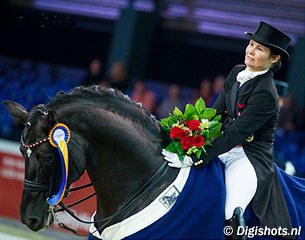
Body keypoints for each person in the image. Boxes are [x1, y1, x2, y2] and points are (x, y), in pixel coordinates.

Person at [164, 21, 293, 239]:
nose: (251, 51)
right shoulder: (236, 72)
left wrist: (196, 158)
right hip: (224, 146)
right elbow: (215, 114)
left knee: (230, 209)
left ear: (274, 58)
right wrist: (188, 135)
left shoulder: (267, 94)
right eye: (251, 44)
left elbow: (234, 135)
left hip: (248, 157)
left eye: (259, 49)